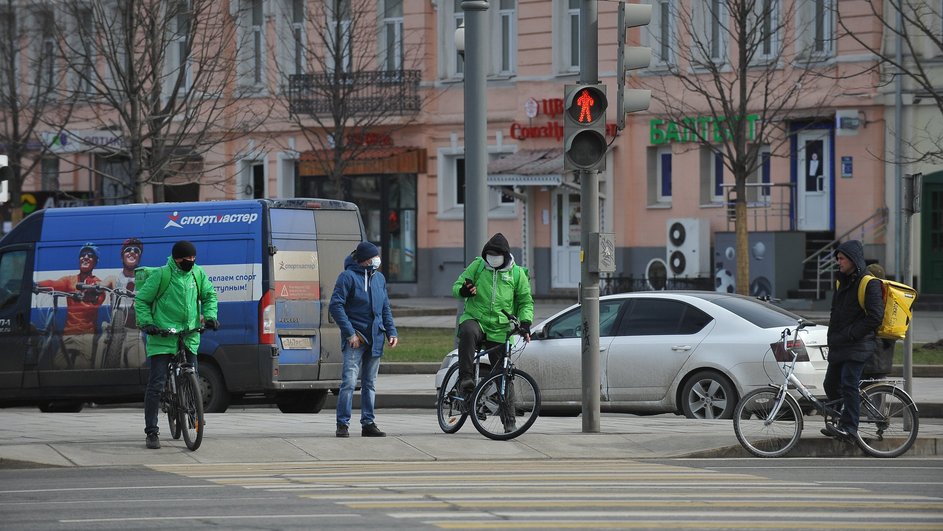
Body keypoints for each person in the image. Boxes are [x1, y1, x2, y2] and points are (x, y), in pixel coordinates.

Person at [135, 240, 219, 450]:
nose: (190, 262)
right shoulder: (162, 275)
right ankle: (152, 432)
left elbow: (209, 295)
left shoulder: (197, 274)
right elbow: (142, 301)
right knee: (156, 383)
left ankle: (194, 414)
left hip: (188, 334)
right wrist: (148, 324)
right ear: (176, 259)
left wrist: (210, 316)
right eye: (186, 260)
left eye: (193, 259)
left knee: (193, 377)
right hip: (162, 335)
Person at [329, 241, 398, 438]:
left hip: (375, 338)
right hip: (356, 339)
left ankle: (368, 423)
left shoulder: (379, 279)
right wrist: (350, 333)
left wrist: (391, 332)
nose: (377, 260)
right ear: (364, 260)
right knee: (349, 382)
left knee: (370, 383)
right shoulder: (347, 277)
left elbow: (385, 307)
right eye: (373, 257)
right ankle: (342, 424)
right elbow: (336, 306)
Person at [452, 233, 534, 398]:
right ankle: (465, 378)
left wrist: (525, 324)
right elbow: (457, 286)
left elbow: (526, 302)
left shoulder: (517, 274)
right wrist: (464, 290)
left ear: (504, 256)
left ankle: (509, 419)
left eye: (496, 256)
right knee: (467, 331)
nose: (492, 259)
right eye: (489, 255)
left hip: (500, 328)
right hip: (476, 319)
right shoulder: (478, 266)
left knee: (503, 374)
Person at [821, 240, 884, 440]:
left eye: (841, 259)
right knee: (830, 385)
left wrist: (850, 334)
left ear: (853, 260)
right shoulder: (841, 281)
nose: (838, 262)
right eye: (837, 258)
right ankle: (841, 421)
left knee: (849, 383)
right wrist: (832, 336)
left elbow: (875, 317)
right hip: (841, 344)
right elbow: (835, 312)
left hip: (859, 344)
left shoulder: (869, 283)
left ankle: (850, 428)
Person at [37, 243, 108, 369]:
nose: (85, 257)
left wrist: (88, 296)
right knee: (59, 365)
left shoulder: (97, 283)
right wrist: (36, 285)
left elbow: (98, 299)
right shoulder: (70, 280)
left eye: (90, 255)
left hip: (87, 336)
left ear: (95, 262)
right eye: (82, 255)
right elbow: (54, 283)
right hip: (68, 334)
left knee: (82, 367)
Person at [101, 238, 145, 368]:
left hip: (134, 332)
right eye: (128, 250)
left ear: (139, 257)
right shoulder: (113, 278)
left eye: (136, 251)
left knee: (138, 364)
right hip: (113, 330)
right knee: (99, 357)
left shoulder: (143, 279)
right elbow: (100, 285)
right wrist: (94, 289)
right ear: (122, 256)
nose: (132, 252)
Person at [861, 263, 895, 380]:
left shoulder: (875, 297)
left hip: (874, 356)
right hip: (882, 358)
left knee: (871, 393)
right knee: (876, 392)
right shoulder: (889, 298)